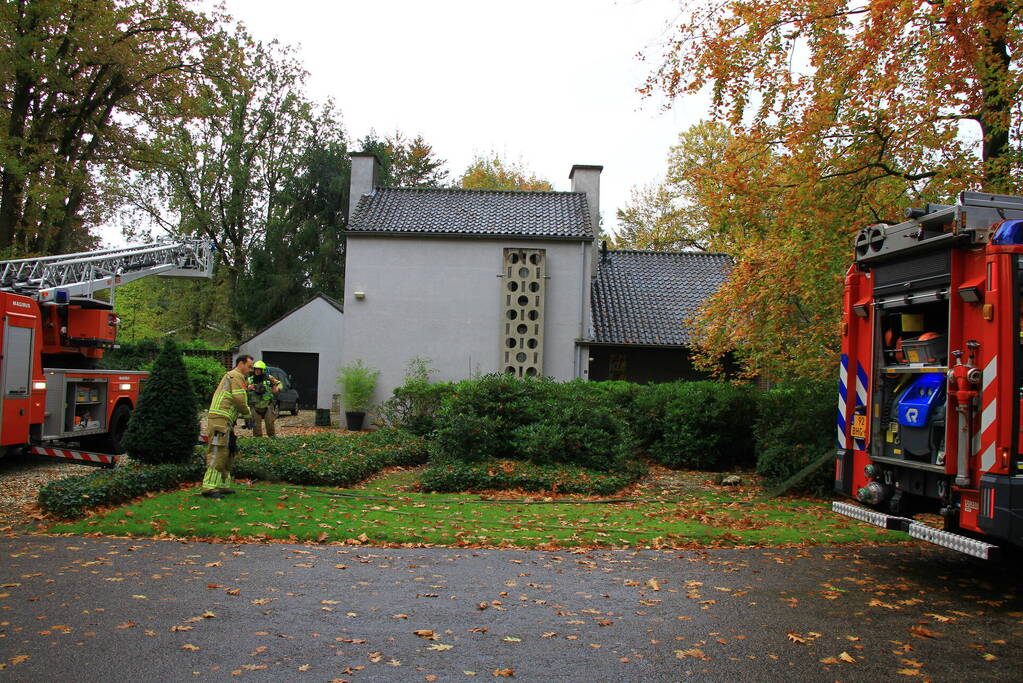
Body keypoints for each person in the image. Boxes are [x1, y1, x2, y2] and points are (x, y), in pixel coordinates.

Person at [200, 354, 253, 499]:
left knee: (228, 451)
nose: (250, 370)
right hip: (220, 420)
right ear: (241, 364)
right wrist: (248, 414)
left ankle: (222, 485)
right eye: (249, 367)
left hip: (224, 420)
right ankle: (209, 487)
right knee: (218, 450)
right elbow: (239, 398)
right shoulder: (236, 376)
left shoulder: (233, 376)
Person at [248, 360, 282, 437]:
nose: (257, 371)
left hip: (268, 405)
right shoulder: (250, 379)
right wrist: (248, 388)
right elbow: (241, 387)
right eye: (255, 369)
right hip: (255, 406)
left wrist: (277, 389)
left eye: (259, 369)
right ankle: (258, 442)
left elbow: (279, 383)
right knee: (256, 427)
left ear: (263, 370)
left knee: (270, 425)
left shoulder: (269, 378)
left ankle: (271, 441)